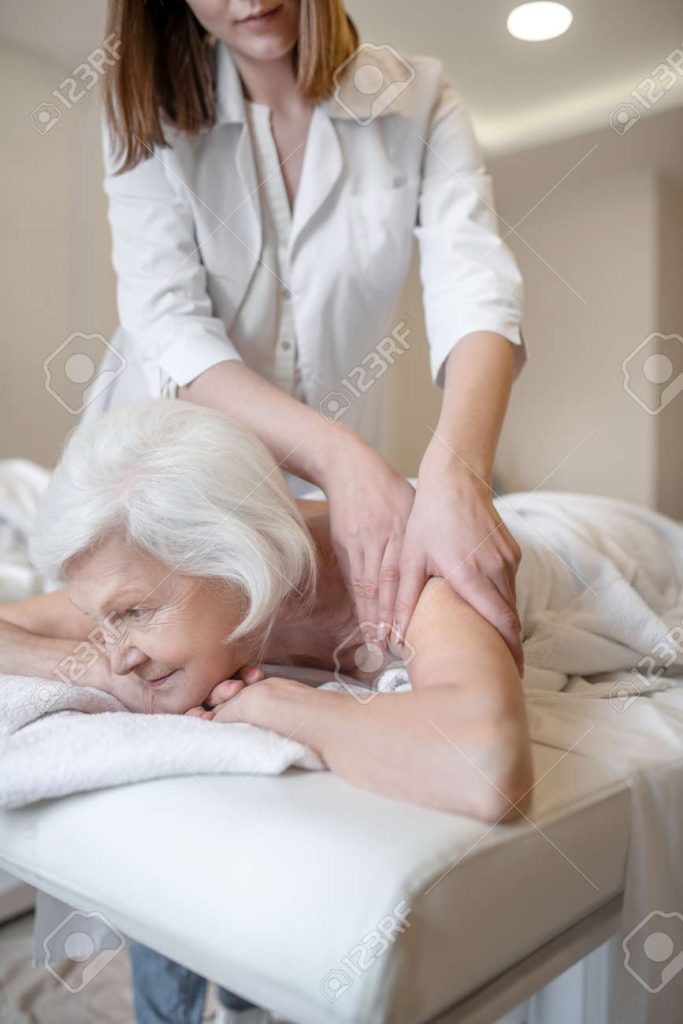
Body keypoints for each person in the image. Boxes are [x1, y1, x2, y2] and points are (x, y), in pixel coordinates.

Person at [77, 0, 531, 1016]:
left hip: (313, 494)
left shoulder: (417, 99)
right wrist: (344, 459)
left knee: (270, 743)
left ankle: (262, 984)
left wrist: (457, 469)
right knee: (171, 747)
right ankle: (168, 1000)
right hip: (164, 485)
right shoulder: (146, 108)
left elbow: (474, 286)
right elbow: (170, 327)